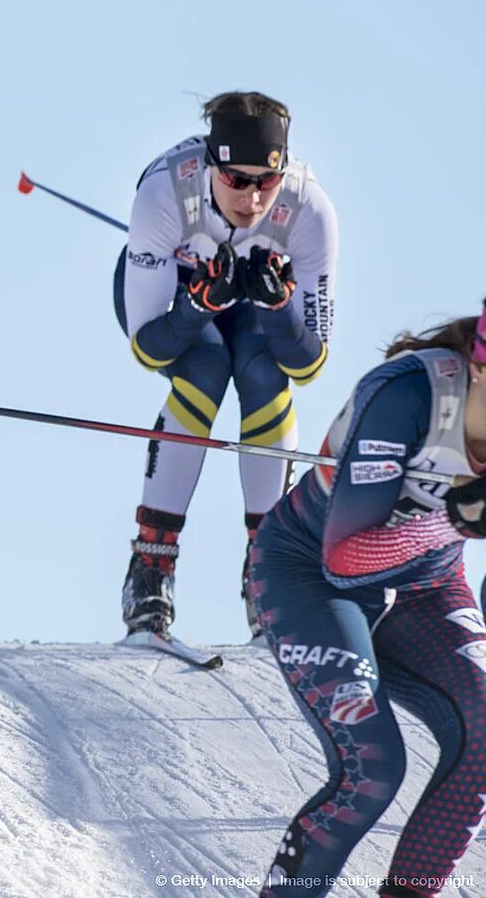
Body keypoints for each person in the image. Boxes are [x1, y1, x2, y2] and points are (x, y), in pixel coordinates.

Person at [248, 307, 486, 898]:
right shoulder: (411, 395)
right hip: (312, 572)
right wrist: (452, 521)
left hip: (426, 588)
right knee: (373, 771)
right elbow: (346, 557)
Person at [113, 90, 338, 641]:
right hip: (179, 308)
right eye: (235, 180)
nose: (252, 197)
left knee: (266, 376)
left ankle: (268, 570)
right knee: (204, 370)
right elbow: (149, 348)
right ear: (211, 166)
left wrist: (282, 309)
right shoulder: (165, 191)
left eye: (266, 181)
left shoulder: (308, 210)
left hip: (256, 312)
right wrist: (197, 304)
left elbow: (309, 366)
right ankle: (151, 567)